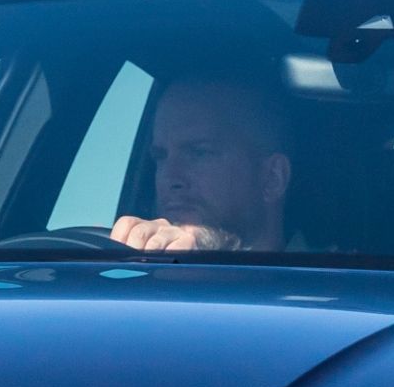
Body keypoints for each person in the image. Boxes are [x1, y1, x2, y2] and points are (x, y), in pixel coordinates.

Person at [111, 75, 293, 254]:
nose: (170, 178)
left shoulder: (318, 278)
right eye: (161, 156)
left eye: (199, 153)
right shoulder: (142, 273)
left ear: (272, 178)